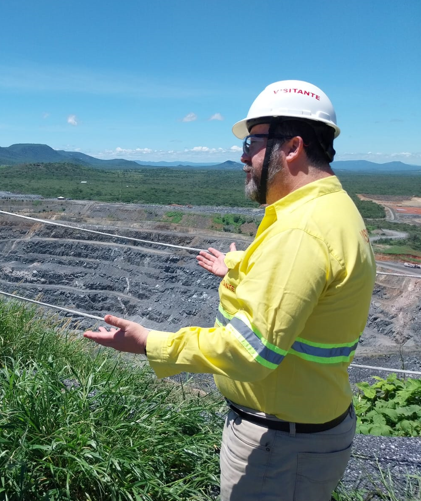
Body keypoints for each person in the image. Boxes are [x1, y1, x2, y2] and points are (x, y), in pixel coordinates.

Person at [84, 80, 376, 500]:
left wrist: (150, 343)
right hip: (301, 430)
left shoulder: (301, 230)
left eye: (252, 142)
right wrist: (237, 268)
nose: (242, 157)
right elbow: (302, 281)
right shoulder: (331, 208)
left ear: (292, 147)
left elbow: (250, 351)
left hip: (279, 446)